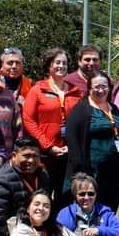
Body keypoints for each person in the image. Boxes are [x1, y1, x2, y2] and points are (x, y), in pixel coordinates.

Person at [64, 72, 119, 208]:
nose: (101, 90)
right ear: (89, 88)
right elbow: (73, 140)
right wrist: (81, 171)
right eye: (96, 87)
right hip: (93, 171)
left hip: (116, 170)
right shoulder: (81, 110)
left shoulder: (114, 108)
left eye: (104, 86)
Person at [22, 48, 81, 191]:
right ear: (49, 66)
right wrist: (48, 146)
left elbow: (80, 121)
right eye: (57, 62)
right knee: (44, 192)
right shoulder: (37, 90)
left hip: (68, 152)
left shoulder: (75, 91)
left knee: (65, 193)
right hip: (45, 153)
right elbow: (28, 120)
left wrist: (72, 145)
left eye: (64, 63)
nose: (61, 66)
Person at [0, 136, 51, 236]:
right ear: (14, 155)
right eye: (26, 156)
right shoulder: (0, 181)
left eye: (35, 156)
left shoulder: (42, 175)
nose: (31, 160)